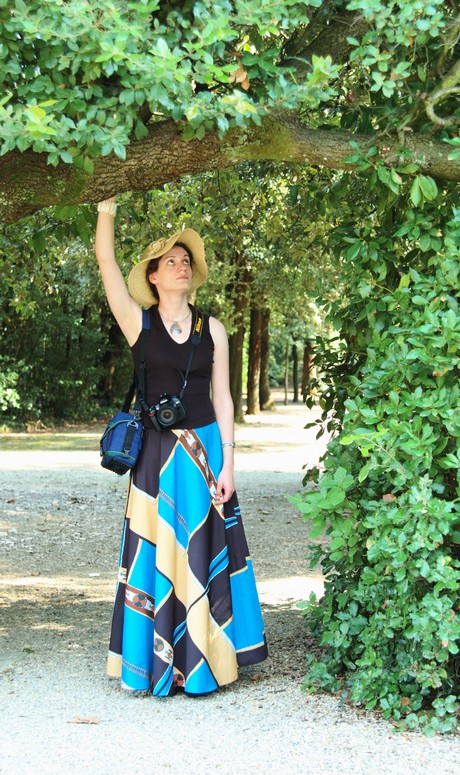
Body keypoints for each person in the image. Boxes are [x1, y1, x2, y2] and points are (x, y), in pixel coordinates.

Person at [95, 196, 268, 696]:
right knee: (153, 554)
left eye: (186, 260)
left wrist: (229, 464)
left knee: (204, 552)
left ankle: (206, 662)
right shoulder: (139, 323)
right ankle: (153, 665)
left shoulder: (212, 328)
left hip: (204, 454)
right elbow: (106, 262)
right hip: (154, 456)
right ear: (153, 276)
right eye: (170, 261)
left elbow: (223, 398)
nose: (181, 266)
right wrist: (106, 209)